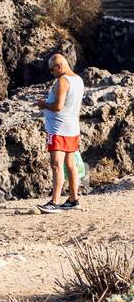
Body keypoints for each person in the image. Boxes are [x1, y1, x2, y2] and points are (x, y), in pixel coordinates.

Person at [36, 54, 85, 213]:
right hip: (72, 128)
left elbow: (58, 106)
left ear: (60, 66)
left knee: (56, 165)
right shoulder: (79, 80)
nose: (51, 73)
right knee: (70, 165)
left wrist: (43, 104)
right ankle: (73, 199)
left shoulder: (63, 81)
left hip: (59, 129)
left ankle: (55, 202)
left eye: (52, 69)